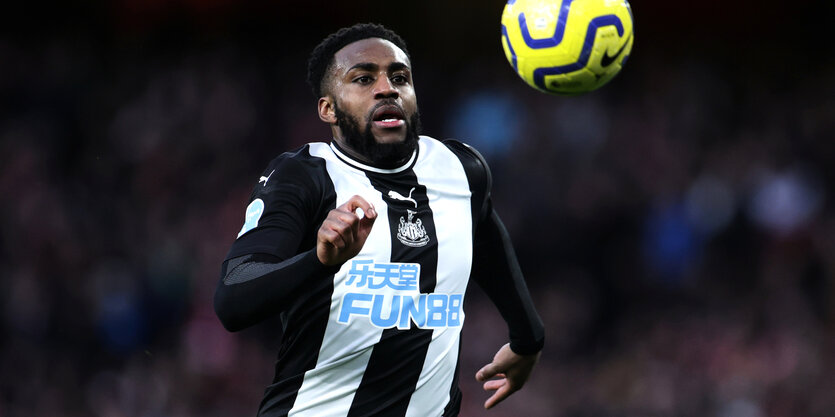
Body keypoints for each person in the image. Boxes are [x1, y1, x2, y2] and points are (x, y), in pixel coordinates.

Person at [214, 23, 544, 416]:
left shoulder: (461, 169)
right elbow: (233, 299)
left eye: (400, 77)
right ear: (328, 109)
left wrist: (528, 338)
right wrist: (320, 261)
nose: (387, 88)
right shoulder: (304, 177)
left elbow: (486, 234)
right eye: (363, 78)